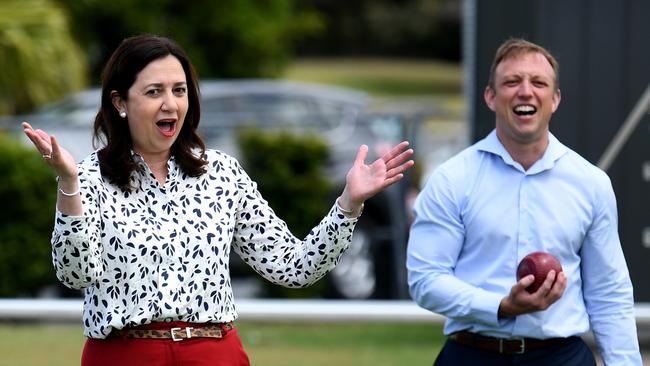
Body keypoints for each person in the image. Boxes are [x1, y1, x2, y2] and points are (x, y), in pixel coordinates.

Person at [22, 34, 415, 366]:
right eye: (153, 92)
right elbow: (75, 275)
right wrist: (68, 183)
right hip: (124, 354)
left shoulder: (222, 174)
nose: (170, 103)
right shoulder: (88, 177)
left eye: (179, 91)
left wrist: (348, 203)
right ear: (120, 103)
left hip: (215, 352)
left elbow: (294, 267)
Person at [406, 38, 642, 365]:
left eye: (539, 83)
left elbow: (609, 295)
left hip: (562, 358)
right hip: (471, 356)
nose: (526, 91)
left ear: (555, 99)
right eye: (512, 81)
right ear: (491, 96)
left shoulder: (591, 183)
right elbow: (426, 281)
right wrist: (500, 307)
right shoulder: (451, 180)